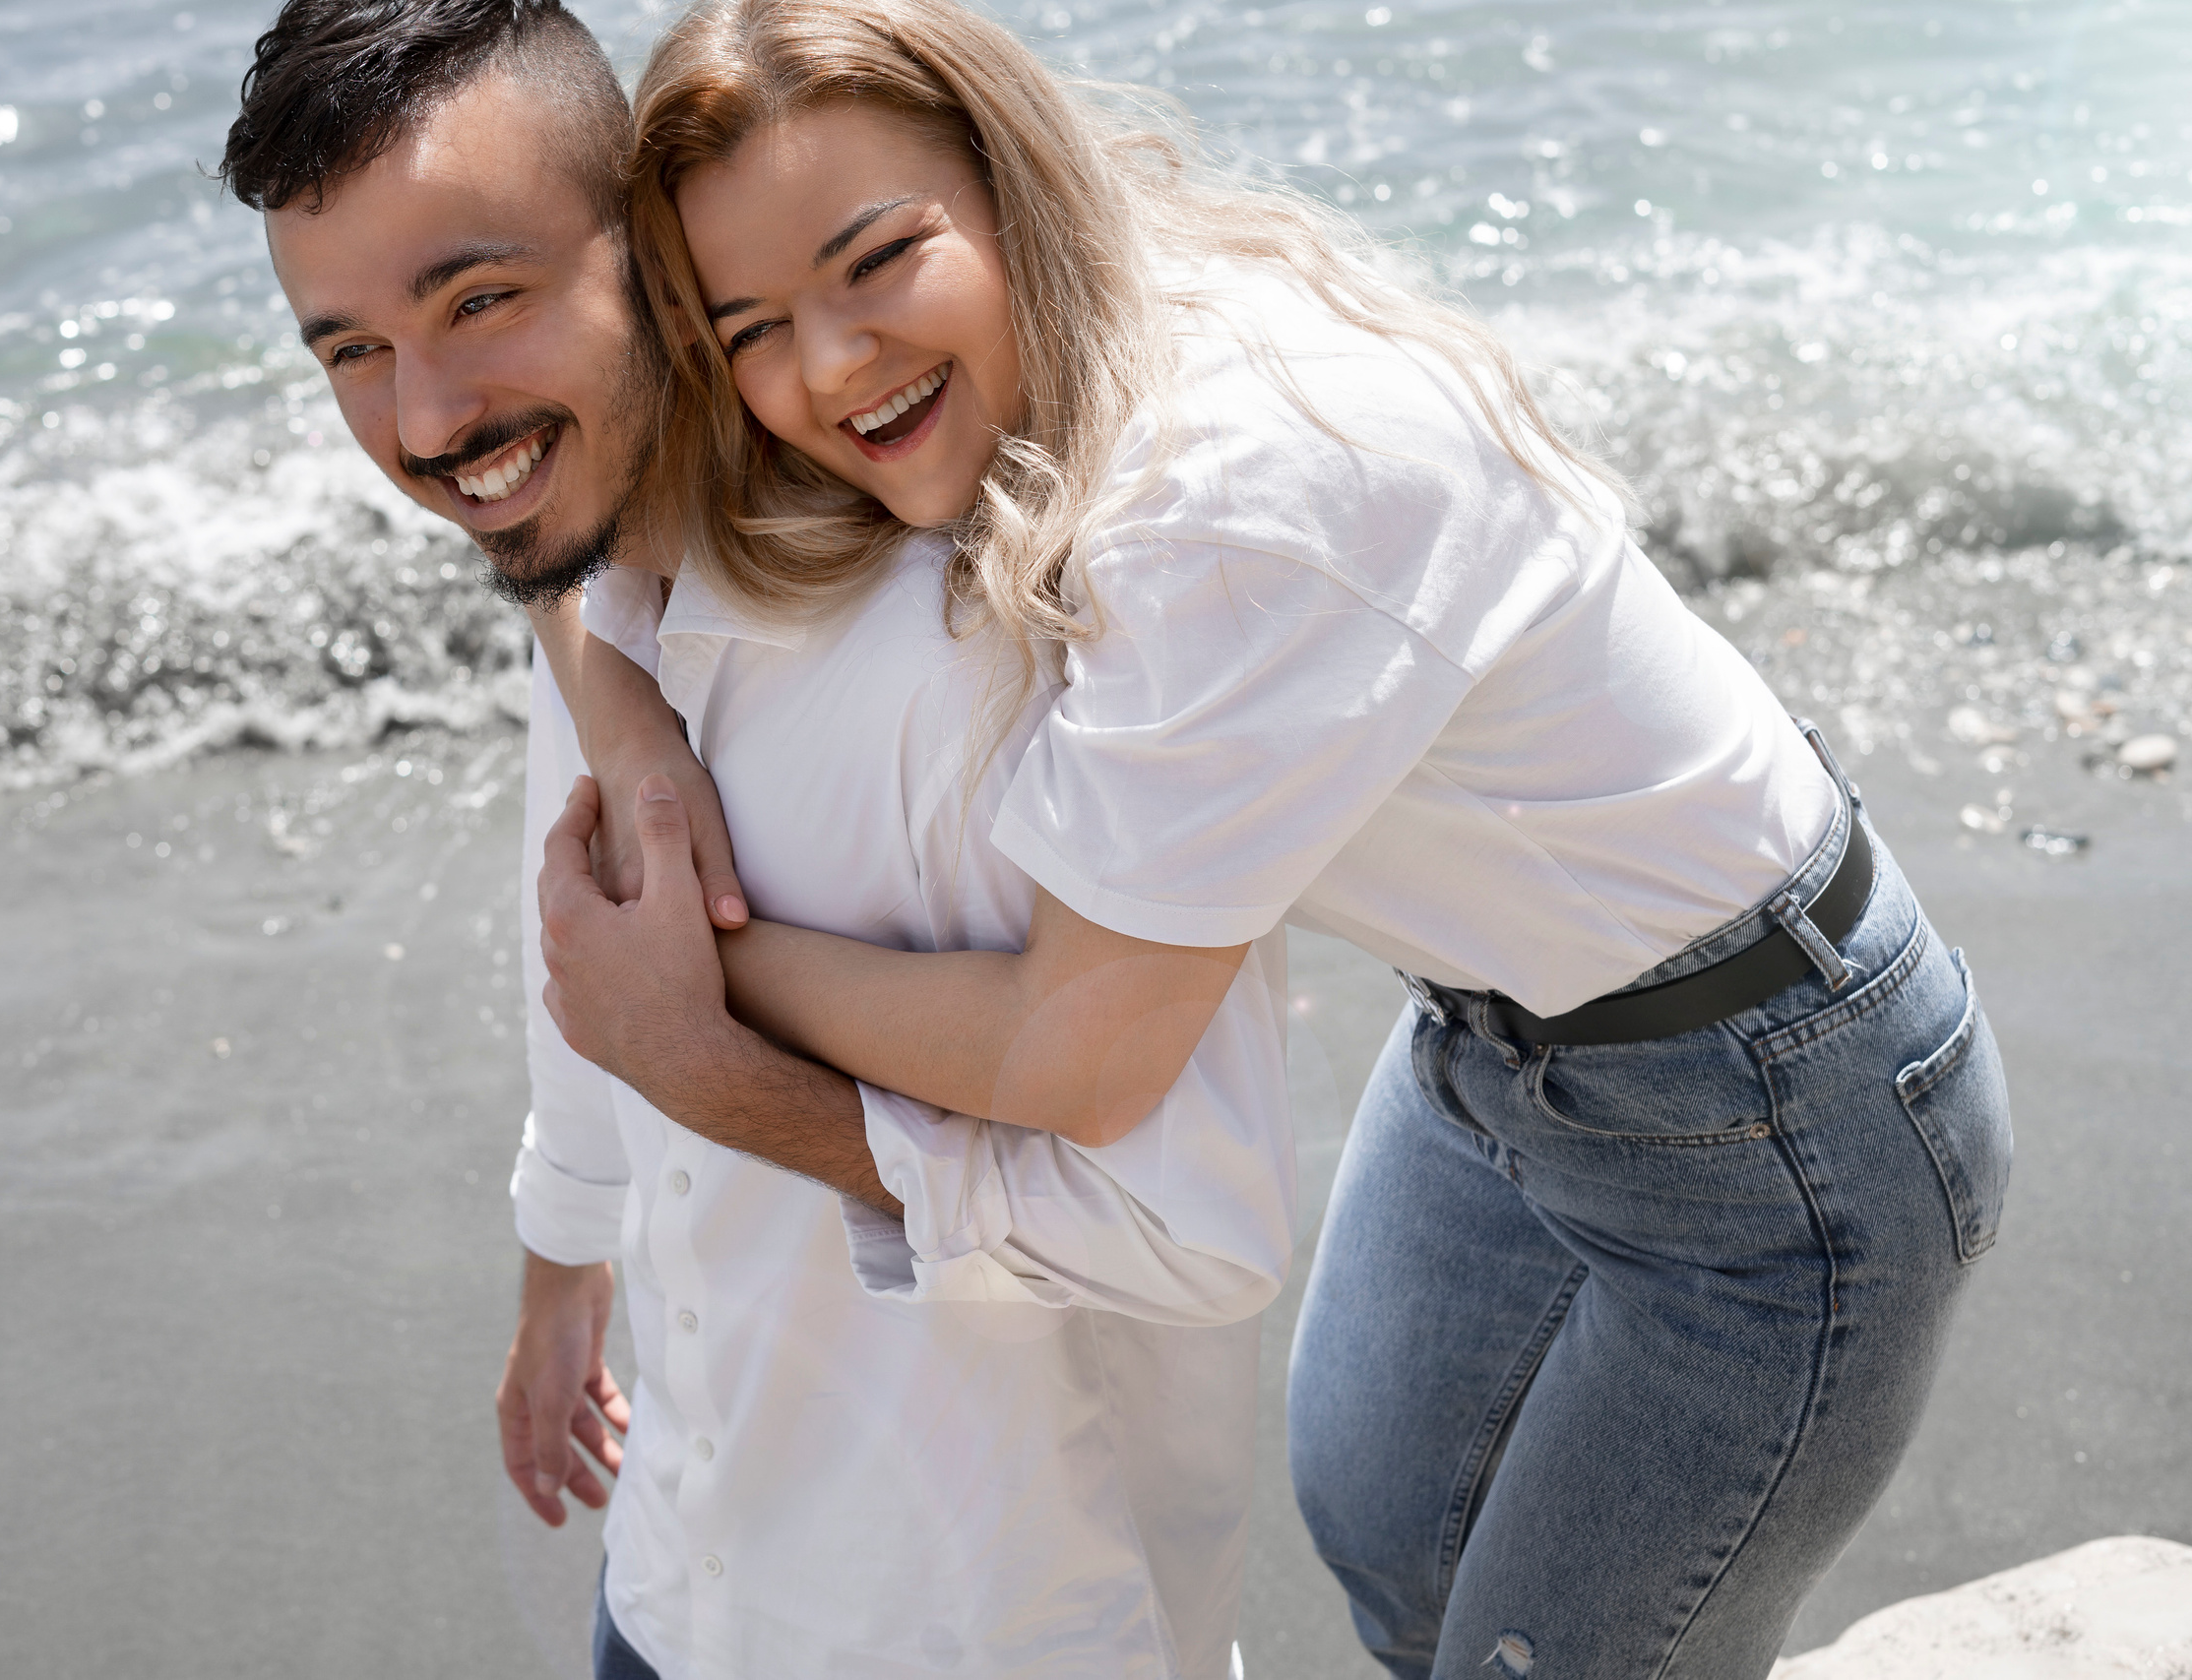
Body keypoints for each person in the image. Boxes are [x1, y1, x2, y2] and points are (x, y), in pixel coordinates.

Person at [538, 0, 2019, 1675]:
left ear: (1012, 179)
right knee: (1396, 1554)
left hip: (1783, 1108)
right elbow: (558, 501)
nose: (827, 367)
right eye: (751, 325)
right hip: (1494, 1041)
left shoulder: (1233, 491)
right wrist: (632, 723)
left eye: (878, 258)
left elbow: (1070, 1053)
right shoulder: (1079, 338)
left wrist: (691, 984)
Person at [225, 2, 1298, 1675]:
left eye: (479, 300)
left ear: (665, 269)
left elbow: (1197, 1234)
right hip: (674, 1597)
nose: (424, 419)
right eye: (351, 349)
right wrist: (564, 1253)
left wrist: (712, 1054)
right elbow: (580, 968)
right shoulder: (593, 586)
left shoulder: (978, 668)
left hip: (985, 1629)